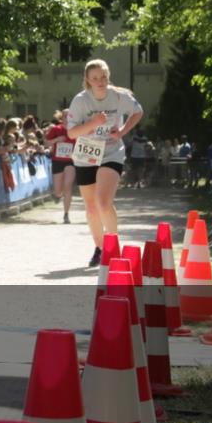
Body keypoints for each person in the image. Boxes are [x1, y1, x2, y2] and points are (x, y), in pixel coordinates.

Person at [66, 59, 143, 267]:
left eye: (103, 77)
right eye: (95, 78)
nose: (100, 82)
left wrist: (123, 131)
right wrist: (93, 123)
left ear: (108, 77)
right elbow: (72, 133)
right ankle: (100, 248)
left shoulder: (119, 97)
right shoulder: (81, 101)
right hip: (86, 155)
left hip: (110, 153)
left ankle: (113, 246)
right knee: (91, 208)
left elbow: (138, 112)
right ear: (88, 80)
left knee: (103, 202)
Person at [45, 110, 76, 224]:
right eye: (65, 117)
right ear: (61, 118)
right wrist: (57, 140)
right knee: (58, 191)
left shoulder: (76, 130)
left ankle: (66, 214)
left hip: (71, 161)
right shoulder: (56, 129)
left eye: (70, 116)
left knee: (67, 186)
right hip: (57, 161)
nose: (67, 119)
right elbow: (46, 143)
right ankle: (57, 195)